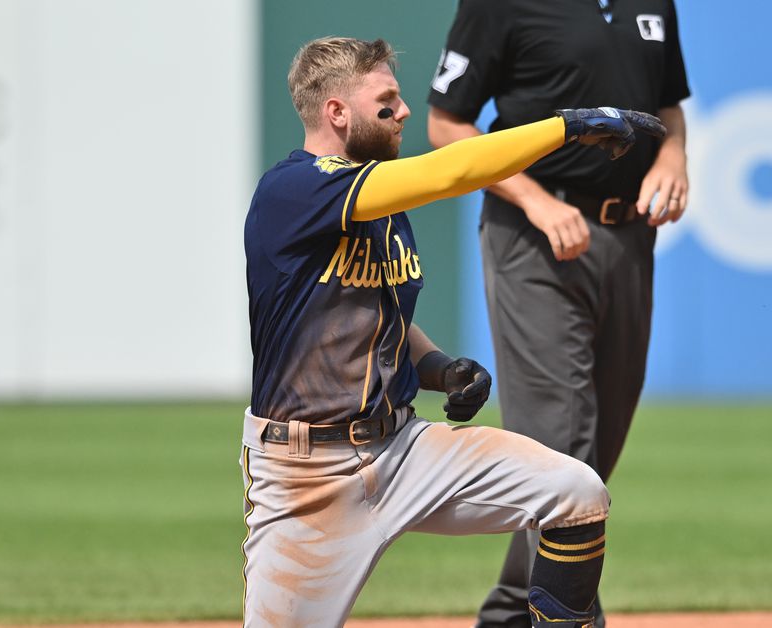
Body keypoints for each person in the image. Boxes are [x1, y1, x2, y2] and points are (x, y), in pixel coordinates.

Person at [241, 36, 665, 627]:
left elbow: (376, 311)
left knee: (577, 493)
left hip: (403, 449)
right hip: (308, 476)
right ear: (337, 112)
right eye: (386, 100)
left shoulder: (380, 208)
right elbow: (451, 171)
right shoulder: (295, 190)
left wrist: (438, 366)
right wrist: (563, 127)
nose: (405, 111)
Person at [427, 1, 692, 625]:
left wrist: (674, 155)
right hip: (534, 235)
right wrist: (538, 201)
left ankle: (511, 614)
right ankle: (573, 620)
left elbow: (669, 108)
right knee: (562, 448)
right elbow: (446, 124)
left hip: (628, 237)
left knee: (596, 451)